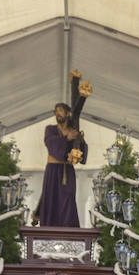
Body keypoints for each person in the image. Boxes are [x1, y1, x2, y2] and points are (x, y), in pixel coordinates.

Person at [37, 70, 90, 227]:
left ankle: (68, 231)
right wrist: (66, 138)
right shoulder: (50, 129)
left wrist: (79, 141)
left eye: (60, 110)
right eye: (56, 111)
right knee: (51, 199)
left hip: (68, 171)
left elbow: (81, 151)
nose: (57, 113)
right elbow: (51, 143)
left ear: (68, 113)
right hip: (53, 170)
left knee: (68, 200)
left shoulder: (73, 129)